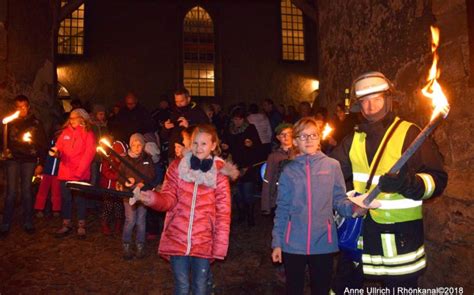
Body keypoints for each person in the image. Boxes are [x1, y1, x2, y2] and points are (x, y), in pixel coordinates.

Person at [330, 71, 448, 290]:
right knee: (343, 287)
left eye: (376, 99)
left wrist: (408, 183)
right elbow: (330, 173)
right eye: (364, 101)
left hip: (400, 241)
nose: (370, 105)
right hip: (360, 235)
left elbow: (437, 180)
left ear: (388, 100)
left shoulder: (410, 133)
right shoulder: (353, 138)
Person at [139, 124, 238, 295]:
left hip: (204, 241)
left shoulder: (220, 176)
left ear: (213, 145)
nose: (199, 148)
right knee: (182, 286)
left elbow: (223, 213)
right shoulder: (178, 168)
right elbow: (168, 199)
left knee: (200, 287)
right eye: (195, 143)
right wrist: (153, 199)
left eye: (204, 144)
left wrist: (220, 245)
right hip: (178, 236)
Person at [271, 117, 357, 295]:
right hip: (292, 242)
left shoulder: (332, 166)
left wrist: (354, 208)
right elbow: (282, 208)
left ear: (319, 139)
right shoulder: (288, 170)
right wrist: (277, 242)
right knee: (294, 289)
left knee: (321, 288)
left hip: (323, 241)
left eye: (313, 135)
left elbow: (339, 199)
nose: (309, 140)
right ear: (295, 141)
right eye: (303, 136)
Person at [0, 95, 47, 237]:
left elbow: (43, 145)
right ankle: (5, 223)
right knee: (11, 192)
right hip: (13, 160)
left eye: (23, 106)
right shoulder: (10, 122)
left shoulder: (36, 123)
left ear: (28, 107)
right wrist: (3, 151)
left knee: (27, 191)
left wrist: (41, 163)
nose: (21, 109)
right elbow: (2, 140)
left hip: (29, 160)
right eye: (18, 107)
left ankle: (28, 221)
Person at [52, 108, 96, 239]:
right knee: (66, 199)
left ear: (82, 118)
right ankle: (66, 223)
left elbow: (89, 154)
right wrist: (56, 151)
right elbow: (59, 147)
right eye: (70, 118)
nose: (71, 121)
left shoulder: (88, 133)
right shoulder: (65, 132)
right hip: (65, 172)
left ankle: (81, 225)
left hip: (79, 174)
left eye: (74, 118)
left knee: (80, 199)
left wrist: (79, 172)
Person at [222, 107, 262, 226]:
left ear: (243, 119)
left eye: (239, 119)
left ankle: (250, 216)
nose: (237, 122)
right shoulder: (229, 129)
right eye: (235, 119)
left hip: (248, 164)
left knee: (247, 192)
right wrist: (225, 146)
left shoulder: (250, 128)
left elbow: (258, 146)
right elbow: (227, 143)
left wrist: (252, 144)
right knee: (238, 192)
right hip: (234, 164)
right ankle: (241, 214)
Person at [118, 133, 155, 260]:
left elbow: (151, 174)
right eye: (134, 145)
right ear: (130, 145)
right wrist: (126, 180)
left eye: (139, 145)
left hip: (143, 193)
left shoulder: (147, 158)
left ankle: (140, 245)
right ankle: (126, 244)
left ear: (143, 146)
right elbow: (120, 175)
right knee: (130, 220)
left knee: (141, 220)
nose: (137, 147)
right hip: (129, 193)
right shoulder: (125, 159)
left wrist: (143, 183)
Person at [162, 88, 209, 160]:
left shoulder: (198, 112)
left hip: (191, 153)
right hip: (174, 154)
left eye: (181, 101)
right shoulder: (173, 112)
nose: (179, 104)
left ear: (188, 99)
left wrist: (189, 125)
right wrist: (166, 128)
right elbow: (163, 136)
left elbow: (206, 130)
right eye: (176, 101)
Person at [260, 123, 295, 216]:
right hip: (279, 198)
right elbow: (267, 180)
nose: (286, 136)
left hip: (296, 198)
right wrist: (266, 205)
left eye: (288, 133)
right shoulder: (273, 156)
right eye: (283, 134)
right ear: (278, 137)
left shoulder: (299, 154)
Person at [99, 140, 127, 236]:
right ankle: (104, 224)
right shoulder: (107, 160)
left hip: (118, 189)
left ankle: (118, 225)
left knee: (119, 207)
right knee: (108, 206)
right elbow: (105, 173)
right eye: (120, 155)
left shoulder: (123, 163)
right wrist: (118, 176)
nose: (122, 157)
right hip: (108, 188)